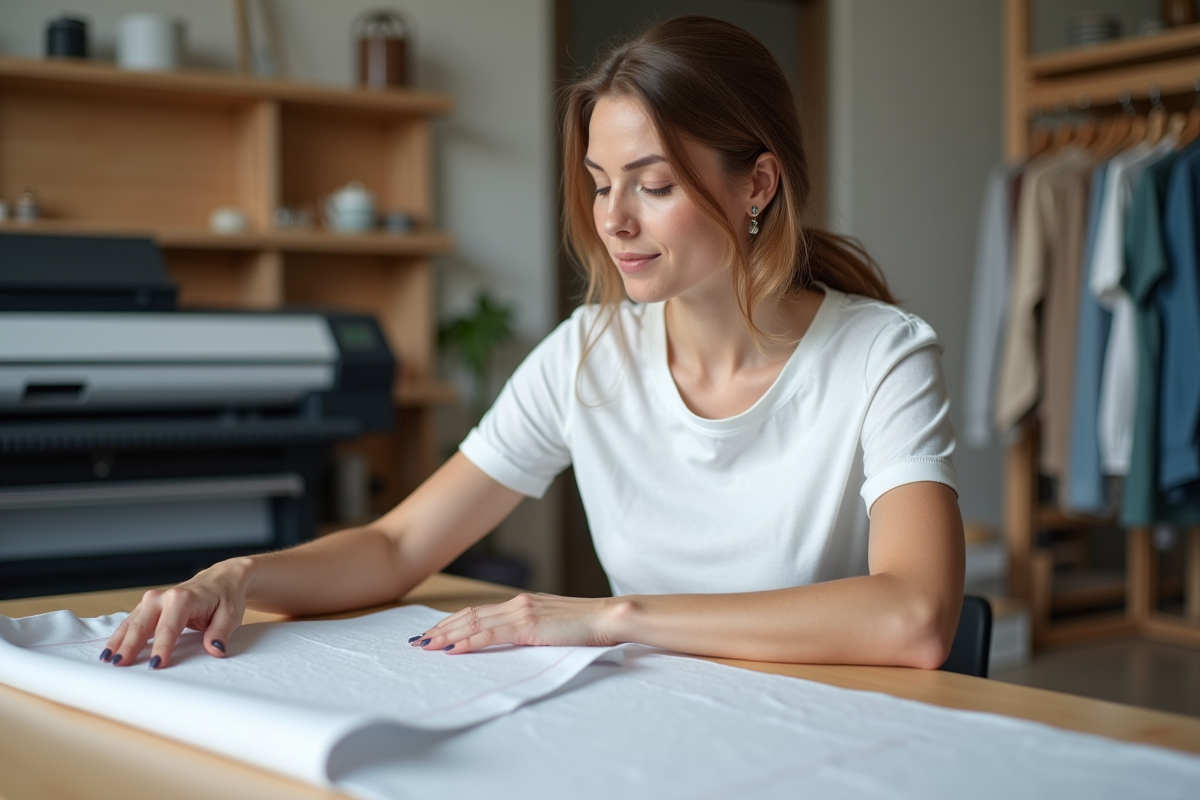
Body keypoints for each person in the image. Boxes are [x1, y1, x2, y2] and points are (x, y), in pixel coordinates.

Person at [101, 15, 963, 672]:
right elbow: (400, 547)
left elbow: (914, 618)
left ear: (758, 185)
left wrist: (610, 616)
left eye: (653, 185)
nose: (614, 220)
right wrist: (240, 576)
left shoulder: (881, 357)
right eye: (599, 186)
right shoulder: (588, 355)